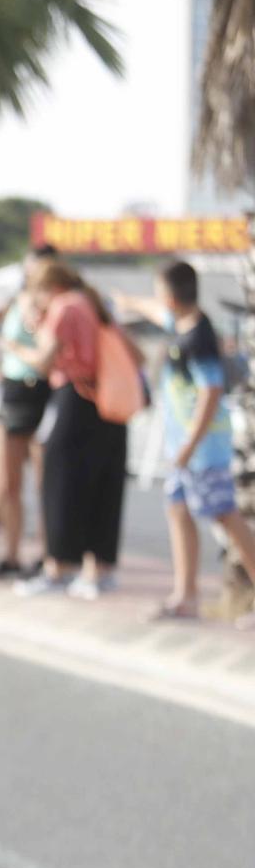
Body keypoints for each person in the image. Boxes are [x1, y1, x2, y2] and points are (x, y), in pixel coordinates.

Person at [115, 261, 255, 623]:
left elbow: (210, 391)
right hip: (183, 449)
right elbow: (156, 310)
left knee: (226, 517)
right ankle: (185, 595)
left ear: (172, 296)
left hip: (202, 448)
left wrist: (190, 445)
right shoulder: (181, 324)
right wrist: (129, 301)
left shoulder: (199, 339)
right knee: (177, 509)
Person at [8, 258, 127, 599]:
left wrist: (17, 346)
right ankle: (99, 568)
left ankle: (58, 566)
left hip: (74, 397)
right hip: (104, 402)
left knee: (60, 484)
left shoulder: (64, 307)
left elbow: (45, 361)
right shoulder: (90, 302)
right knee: (102, 485)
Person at [0, 254, 55, 575]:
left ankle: (47, 552)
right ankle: (11, 552)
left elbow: (48, 350)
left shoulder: (47, 306)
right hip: (15, 390)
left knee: (44, 480)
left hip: (39, 390)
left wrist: (16, 345)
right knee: (7, 480)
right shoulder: (17, 301)